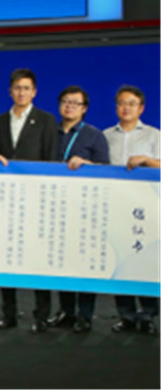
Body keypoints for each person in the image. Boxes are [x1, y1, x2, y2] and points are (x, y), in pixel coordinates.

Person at [0, 68, 57, 333]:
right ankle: (9, 315)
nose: (22, 92)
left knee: (38, 258)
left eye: (27, 88)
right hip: (7, 200)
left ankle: (41, 316)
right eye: (17, 88)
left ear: (34, 92)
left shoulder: (46, 120)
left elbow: (51, 160)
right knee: (7, 258)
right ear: (10, 91)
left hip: (37, 199)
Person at [46, 85, 110, 333]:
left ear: (84, 109)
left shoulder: (94, 136)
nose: (69, 106)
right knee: (61, 260)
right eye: (65, 101)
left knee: (84, 261)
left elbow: (107, 171)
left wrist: (87, 164)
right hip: (55, 206)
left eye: (75, 103)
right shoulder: (49, 132)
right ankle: (66, 311)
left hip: (85, 209)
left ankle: (85, 315)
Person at [103, 85, 160, 335]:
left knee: (145, 260)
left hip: (146, 209)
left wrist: (147, 161)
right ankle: (125, 315)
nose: (126, 108)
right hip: (116, 207)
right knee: (121, 259)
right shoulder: (106, 135)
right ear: (116, 107)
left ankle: (147, 315)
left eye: (132, 103)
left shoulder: (154, 135)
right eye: (122, 103)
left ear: (141, 108)